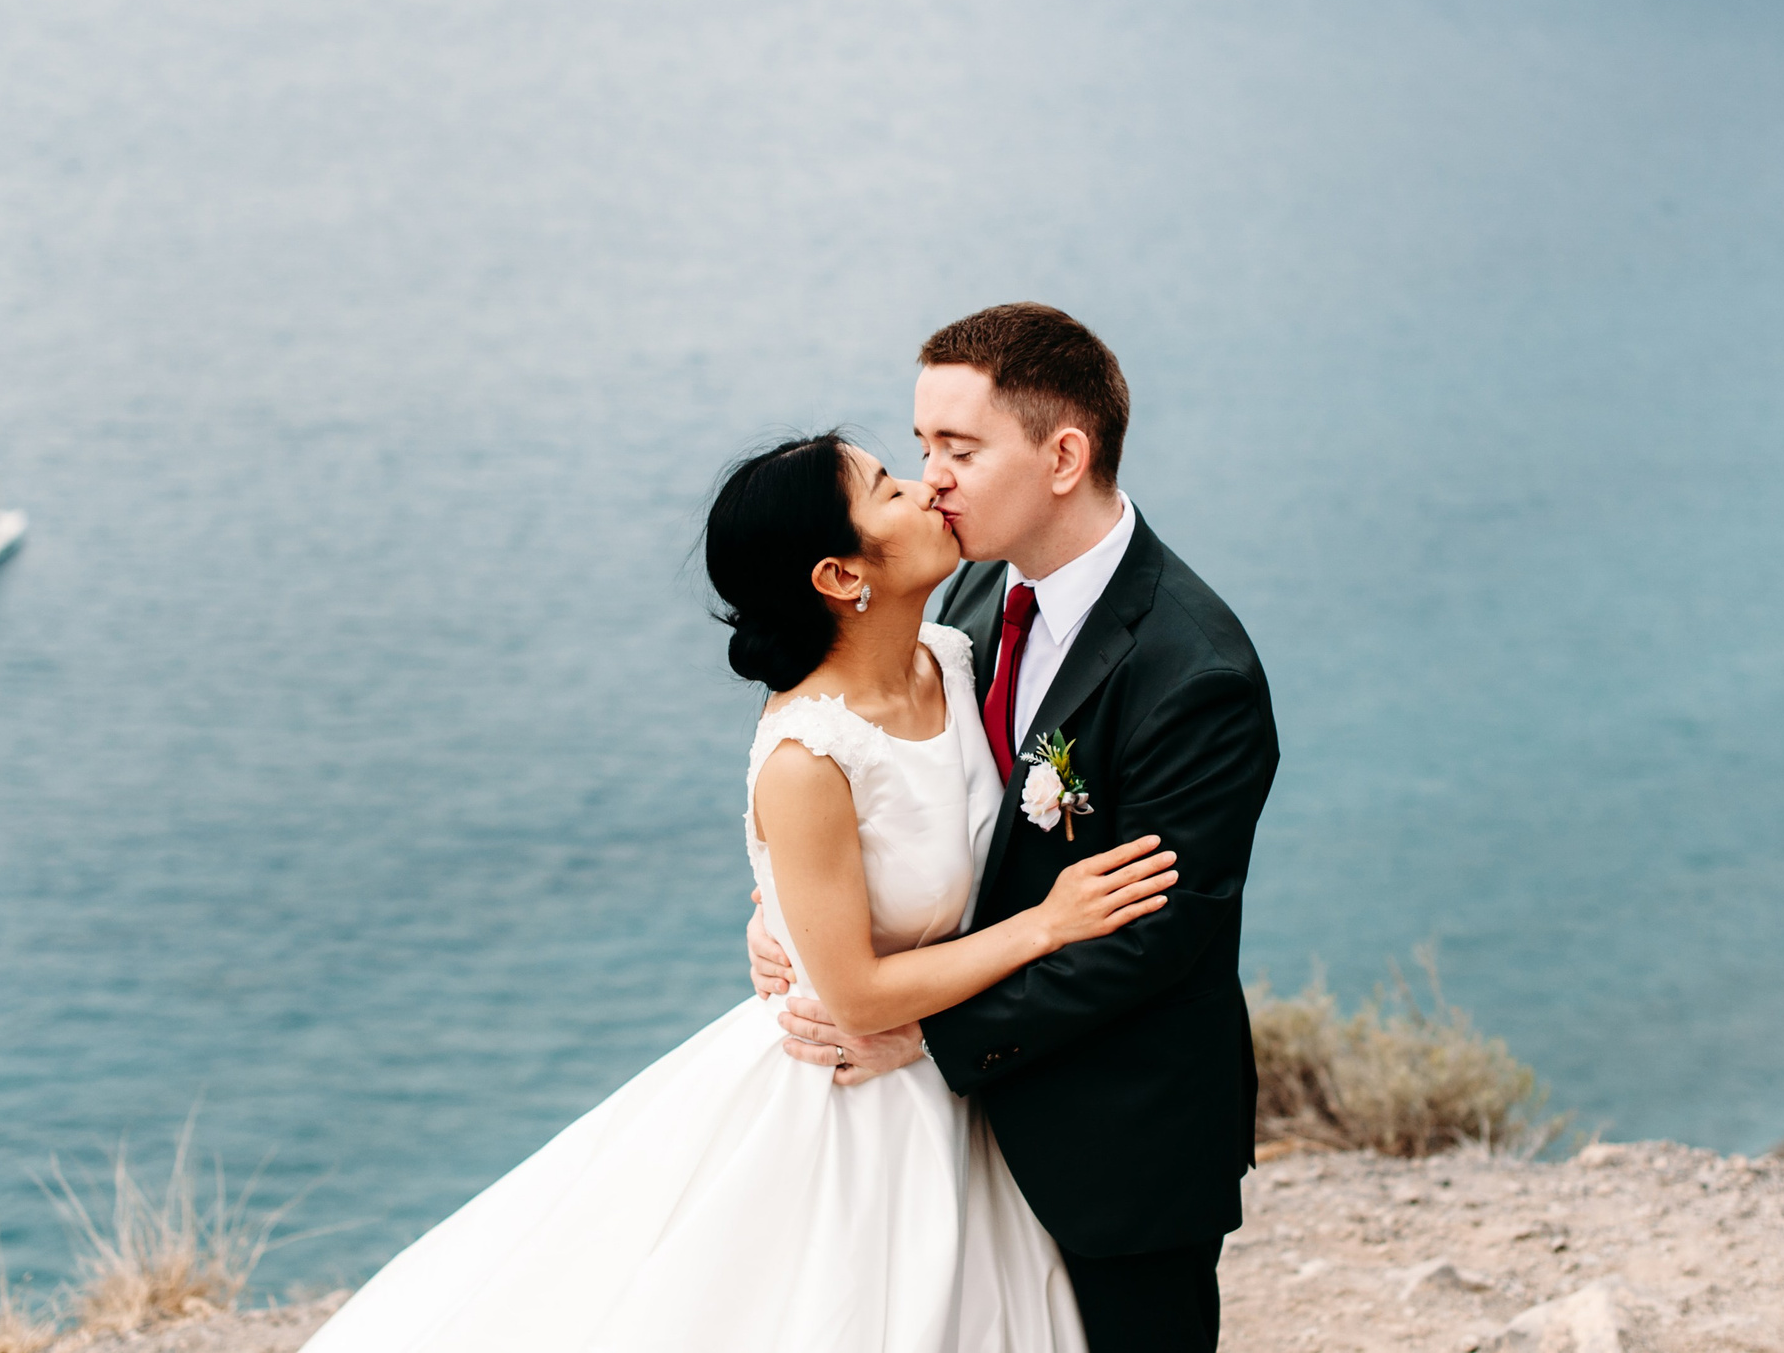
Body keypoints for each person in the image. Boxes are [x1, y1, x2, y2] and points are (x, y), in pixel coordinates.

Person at [300, 430, 1180, 1353]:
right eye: (889, 490)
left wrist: (776, 914)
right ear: (842, 577)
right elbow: (856, 997)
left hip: (964, 1085)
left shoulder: (951, 657)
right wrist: (1046, 926)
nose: (926, 490)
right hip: (856, 1100)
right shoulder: (808, 756)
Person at [750, 303, 1281, 1353]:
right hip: (941, 1142)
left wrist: (917, 1031)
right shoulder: (966, 606)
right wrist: (787, 919)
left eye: (959, 449)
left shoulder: (1196, 673)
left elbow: (1152, 939)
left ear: (1062, 456)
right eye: (919, 450)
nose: (931, 479)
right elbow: (879, 795)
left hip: (1113, 1142)